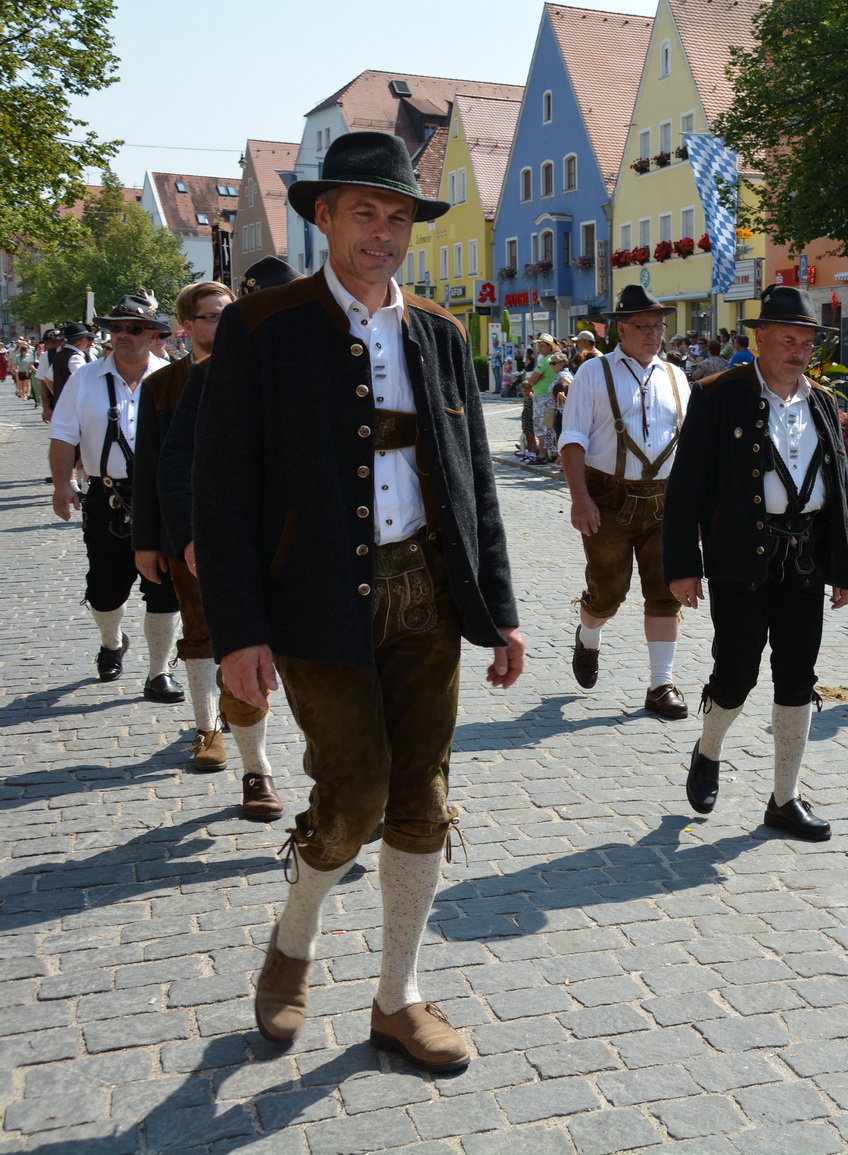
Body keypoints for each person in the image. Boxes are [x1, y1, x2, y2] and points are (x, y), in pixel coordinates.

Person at [193, 131, 524, 1072]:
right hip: (314, 599)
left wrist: (497, 609)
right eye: (365, 212)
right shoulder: (262, 328)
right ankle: (292, 940)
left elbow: (473, 483)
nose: (384, 232)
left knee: (423, 799)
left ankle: (397, 997)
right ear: (325, 217)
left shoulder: (441, 333)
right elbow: (221, 496)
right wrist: (240, 630)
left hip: (426, 594)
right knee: (352, 798)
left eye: (399, 216)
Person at [664, 284, 848, 840]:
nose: (798, 351)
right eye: (788, 340)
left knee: (798, 677)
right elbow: (686, 488)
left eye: (806, 342)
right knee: (736, 675)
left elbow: (839, 486)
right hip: (740, 557)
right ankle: (709, 747)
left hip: (806, 559)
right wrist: (682, 564)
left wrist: (844, 566)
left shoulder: (822, 401)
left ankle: (784, 799)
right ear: (761, 339)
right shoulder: (717, 393)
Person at [153, 257, 303, 821]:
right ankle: (256, 768)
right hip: (243, 549)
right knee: (243, 666)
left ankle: (341, 783)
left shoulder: (341, 361)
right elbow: (177, 460)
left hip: (322, 554)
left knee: (333, 674)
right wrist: (193, 536)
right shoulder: (215, 373)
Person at [130, 281, 269, 797]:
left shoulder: (255, 374)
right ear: (187, 325)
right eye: (211, 317)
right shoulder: (164, 386)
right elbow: (152, 467)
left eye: (228, 315)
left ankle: (249, 738)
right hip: (182, 535)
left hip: (252, 533)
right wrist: (147, 539)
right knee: (200, 634)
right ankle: (207, 727)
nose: (222, 325)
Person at [559, 284, 692, 720]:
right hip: (608, 499)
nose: (655, 333)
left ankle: (661, 684)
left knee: (666, 592)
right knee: (608, 595)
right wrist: (580, 499)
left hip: (665, 502)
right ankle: (588, 633)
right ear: (621, 328)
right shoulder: (592, 374)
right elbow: (572, 440)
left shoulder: (675, 376)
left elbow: (690, 444)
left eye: (659, 326)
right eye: (644, 326)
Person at [48, 296, 181, 700]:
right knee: (105, 589)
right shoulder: (85, 377)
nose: (123, 335)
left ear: (154, 335)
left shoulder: (172, 376)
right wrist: (61, 484)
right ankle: (112, 641)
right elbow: (62, 435)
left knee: (164, 588)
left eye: (134, 328)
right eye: (117, 328)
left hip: (160, 498)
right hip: (107, 497)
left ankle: (158, 672)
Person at [520, 333, 557, 463]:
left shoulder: (545, 361)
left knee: (540, 426)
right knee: (549, 426)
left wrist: (533, 380)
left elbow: (531, 381)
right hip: (548, 395)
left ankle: (541, 454)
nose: (539, 348)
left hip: (541, 395)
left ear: (549, 346)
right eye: (538, 345)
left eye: (542, 345)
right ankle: (552, 452)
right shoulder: (552, 359)